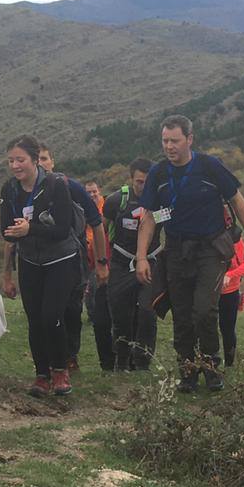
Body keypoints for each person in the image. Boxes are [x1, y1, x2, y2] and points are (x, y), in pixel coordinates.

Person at [134, 115, 244, 393]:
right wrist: (141, 256)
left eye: (175, 141)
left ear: (189, 139)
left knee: (204, 310)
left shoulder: (209, 166)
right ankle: (188, 371)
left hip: (210, 249)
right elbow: (150, 217)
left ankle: (212, 367)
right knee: (182, 314)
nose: (169, 147)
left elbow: (237, 200)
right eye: (165, 141)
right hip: (177, 250)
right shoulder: (159, 173)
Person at [0, 135, 81, 397]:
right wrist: (16, 236)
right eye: (11, 160)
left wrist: (29, 229)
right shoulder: (9, 189)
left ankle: (60, 370)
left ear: (35, 160)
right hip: (30, 260)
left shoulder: (56, 185)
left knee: (51, 316)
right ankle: (41, 374)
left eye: (20, 160)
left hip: (60, 259)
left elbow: (62, 229)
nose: (15, 166)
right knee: (34, 319)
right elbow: (5, 231)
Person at [37, 145, 104, 372]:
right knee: (44, 309)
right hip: (39, 258)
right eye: (36, 159)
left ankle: (70, 356)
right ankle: (49, 359)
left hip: (74, 257)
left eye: (44, 158)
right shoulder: (25, 190)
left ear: (53, 161)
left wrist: (102, 262)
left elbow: (96, 220)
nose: (40, 163)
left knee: (72, 308)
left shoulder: (70, 186)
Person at [103, 158, 163, 372]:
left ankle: (143, 362)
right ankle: (121, 360)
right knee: (121, 314)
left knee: (148, 312)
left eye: (148, 182)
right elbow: (103, 229)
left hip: (151, 261)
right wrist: (103, 261)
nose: (143, 186)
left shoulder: (162, 202)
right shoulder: (116, 201)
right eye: (139, 182)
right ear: (131, 179)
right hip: (121, 262)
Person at [81, 180, 114, 370]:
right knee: (92, 298)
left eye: (94, 191)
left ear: (99, 191)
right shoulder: (82, 210)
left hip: (107, 260)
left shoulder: (107, 208)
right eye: (88, 192)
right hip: (88, 260)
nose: (92, 195)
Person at [217, 214, 244, 373]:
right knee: (205, 326)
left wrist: (229, 275)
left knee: (227, 328)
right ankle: (208, 362)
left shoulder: (236, 241)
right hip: (208, 291)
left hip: (229, 292)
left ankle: (229, 364)